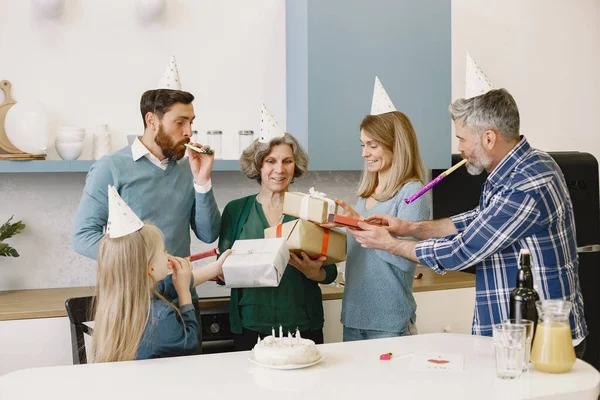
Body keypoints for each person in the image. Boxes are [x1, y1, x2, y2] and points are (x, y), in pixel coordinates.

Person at [349, 88, 588, 357]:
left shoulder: (528, 184)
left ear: (488, 138)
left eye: (462, 139)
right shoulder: (518, 169)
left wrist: (390, 245)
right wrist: (409, 228)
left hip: (539, 340)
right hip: (513, 336)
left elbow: (461, 251)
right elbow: (477, 219)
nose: (460, 149)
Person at [218, 124, 337, 351]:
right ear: (258, 165)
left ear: (295, 165)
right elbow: (223, 270)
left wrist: (316, 272)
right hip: (249, 323)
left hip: (301, 323)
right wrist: (223, 271)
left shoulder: (310, 208)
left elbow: (329, 272)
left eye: (287, 161)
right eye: (270, 161)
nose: (279, 169)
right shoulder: (236, 211)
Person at [72, 89, 220, 260]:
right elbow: (83, 237)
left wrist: (202, 182)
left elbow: (209, 235)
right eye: (180, 123)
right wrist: (142, 262)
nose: (189, 132)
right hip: (131, 287)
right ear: (151, 121)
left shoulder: (188, 169)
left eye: (191, 123)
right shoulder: (110, 167)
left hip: (181, 287)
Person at [323, 111, 430, 341]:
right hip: (353, 317)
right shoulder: (365, 196)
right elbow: (358, 254)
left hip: (389, 322)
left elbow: (406, 258)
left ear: (396, 145)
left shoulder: (411, 193)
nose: (365, 153)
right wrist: (340, 224)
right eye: (363, 145)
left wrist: (362, 229)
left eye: (373, 145)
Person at [92, 188, 231, 362]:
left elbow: (166, 286)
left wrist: (215, 268)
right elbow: (190, 344)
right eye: (164, 251)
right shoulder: (161, 315)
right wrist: (185, 295)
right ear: (150, 269)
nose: (168, 256)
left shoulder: (116, 304)